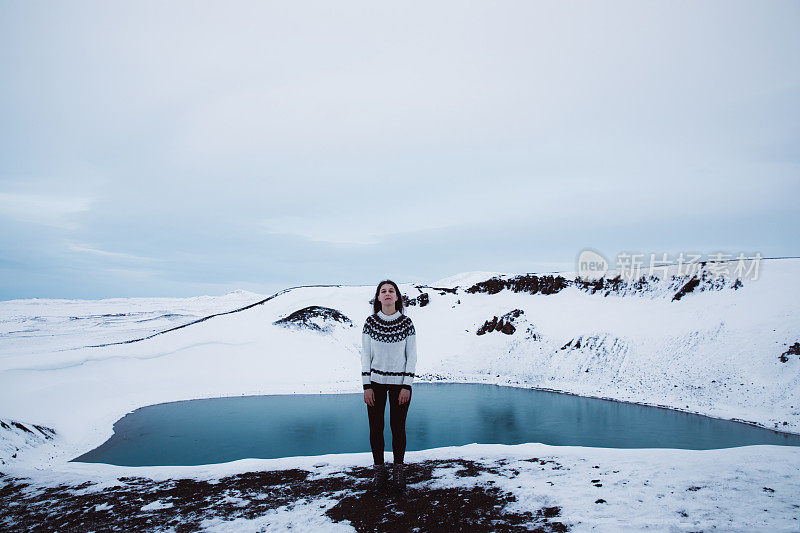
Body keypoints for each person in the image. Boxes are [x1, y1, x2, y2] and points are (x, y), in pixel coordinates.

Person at [361, 279, 417, 495]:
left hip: (399, 385)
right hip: (374, 384)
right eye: (383, 291)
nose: (387, 294)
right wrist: (366, 385)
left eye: (391, 291)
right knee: (375, 428)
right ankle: (379, 471)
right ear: (378, 297)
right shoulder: (370, 322)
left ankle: (398, 470)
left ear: (397, 297)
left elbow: (411, 356)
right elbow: (366, 355)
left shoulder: (407, 323)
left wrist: (407, 386)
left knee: (398, 427)